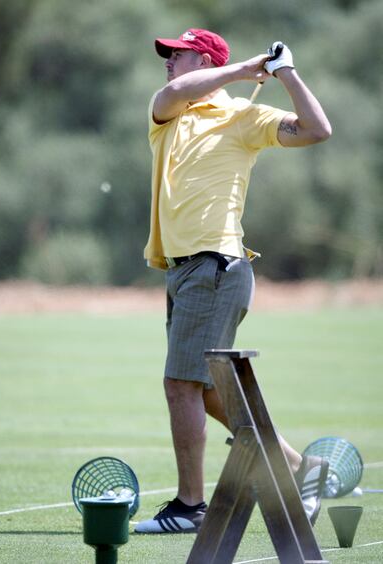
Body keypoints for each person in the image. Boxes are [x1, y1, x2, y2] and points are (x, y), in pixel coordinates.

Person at [136, 28, 332, 535]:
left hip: (216, 265)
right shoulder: (170, 112)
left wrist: (285, 73)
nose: (167, 62)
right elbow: (174, 93)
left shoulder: (245, 117)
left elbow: (316, 129)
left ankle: (189, 507)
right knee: (202, 391)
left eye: (175, 55)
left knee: (181, 385)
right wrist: (247, 69)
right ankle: (298, 466)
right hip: (182, 270)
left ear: (201, 58)